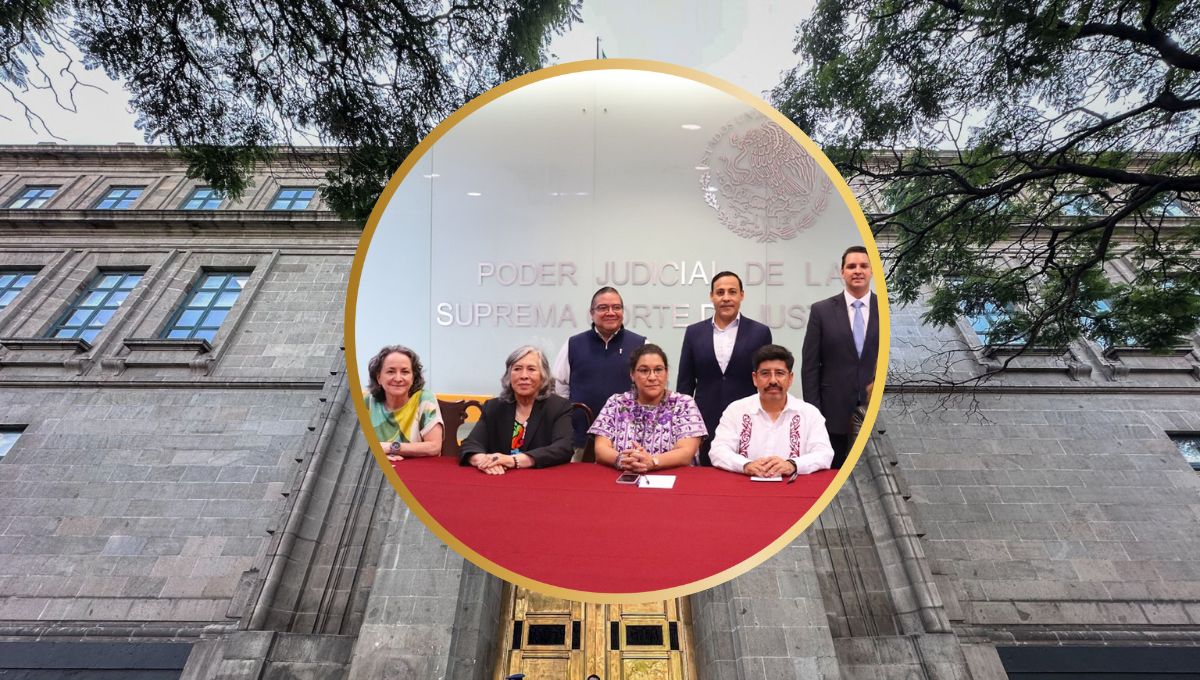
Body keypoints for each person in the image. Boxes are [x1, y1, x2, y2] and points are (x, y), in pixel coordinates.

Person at [677, 270, 773, 465]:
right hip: (704, 421)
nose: (726, 298)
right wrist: (684, 425)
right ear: (712, 296)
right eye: (720, 292)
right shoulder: (694, 332)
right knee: (707, 475)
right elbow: (685, 383)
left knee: (746, 472)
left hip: (747, 420)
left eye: (732, 292)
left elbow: (765, 380)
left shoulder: (760, 333)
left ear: (741, 295)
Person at [801, 245, 879, 468]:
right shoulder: (822, 311)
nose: (858, 271)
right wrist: (815, 414)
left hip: (875, 413)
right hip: (832, 414)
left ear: (872, 270)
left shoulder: (885, 309)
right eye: (851, 266)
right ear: (842, 271)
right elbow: (810, 366)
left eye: (863, 266)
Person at [709, 344, 834, 476]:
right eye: (765, 374)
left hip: (791, 485)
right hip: (745, 484)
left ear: (790, 378)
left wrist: (792, 464)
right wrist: (745, 465)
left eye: (780, 373)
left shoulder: (809, 413)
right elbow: (718, 451)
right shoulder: (735, 410)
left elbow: (824, 454)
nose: (773, 380)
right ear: (755, 378)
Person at [589, 344, 707, 472]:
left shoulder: (684, 404)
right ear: (632, 374)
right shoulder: (616, 403)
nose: (652, 377)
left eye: (658, 370)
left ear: (667, 373)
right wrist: (621, 459)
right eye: (644, 371)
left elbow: (686, 452)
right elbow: (600, 449)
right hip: (623, 474)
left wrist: (653, 461)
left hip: (673, 478)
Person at [553, 287, 646, 445]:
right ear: (591, 313)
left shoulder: (641, 345)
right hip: (579, 440)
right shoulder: (573, 344)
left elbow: (649, 390)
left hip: (627, 441)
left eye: (616, 307)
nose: (610, 312)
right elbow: (561, 389)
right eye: (603, 308)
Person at [461, 346, 574, 474]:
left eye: (531, 369)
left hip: (539, 478)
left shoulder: (559, 407)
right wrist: (485, 461)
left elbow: (563, 448)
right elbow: (470, 444)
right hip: (499, 477)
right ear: (508, 376)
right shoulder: (494, 407)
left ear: (543, 376)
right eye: (517, 369)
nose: (524, 376)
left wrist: (513, 461)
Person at [364, 345, 444, 462]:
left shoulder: (424, 399)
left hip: (418, 467)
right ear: (379, 378)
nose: (398, 378)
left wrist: (391, 447)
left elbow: (434, 447)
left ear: (413, 377)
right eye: (391, 372)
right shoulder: (368, 402)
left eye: (405, 372)